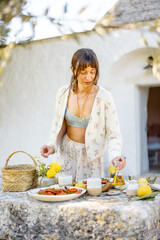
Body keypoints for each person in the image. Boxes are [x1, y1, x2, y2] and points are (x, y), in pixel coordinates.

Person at [40, 48, 126, 182]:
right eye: (83, 72)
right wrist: (51, 145)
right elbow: (58, 122)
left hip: (92, 159)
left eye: (93, 72)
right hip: (66, 154)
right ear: (73, 70)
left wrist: (115, 156)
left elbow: (113, 133)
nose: (88, 77)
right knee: (65, 194)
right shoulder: (63, 93)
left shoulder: (105, 97)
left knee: (90, 199)